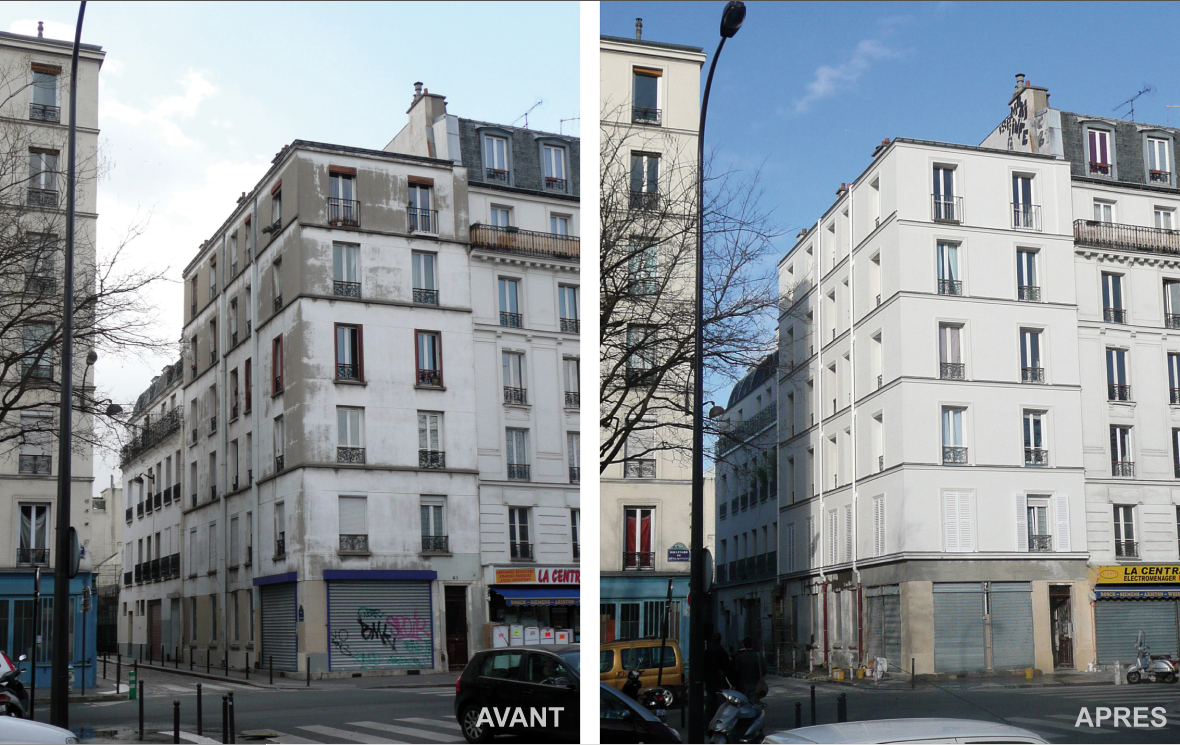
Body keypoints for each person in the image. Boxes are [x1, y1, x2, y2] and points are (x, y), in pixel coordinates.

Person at [730, 636, 767, 703]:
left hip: (743, 685)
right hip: (755, 684)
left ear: (744, 645)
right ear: (752, 644)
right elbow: (764, 670)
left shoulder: (740, 657)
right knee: (753, 704)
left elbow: (735, 672)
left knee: (744, 704)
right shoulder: (758, 656)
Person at [704, 632, 732, 717]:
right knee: (721, 708)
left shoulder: (707, 652)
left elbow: (704, 668)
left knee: (709, 709)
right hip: (720, 684)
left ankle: (708, 726)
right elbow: (727, 669)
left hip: (710, 684)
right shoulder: (722, 652)